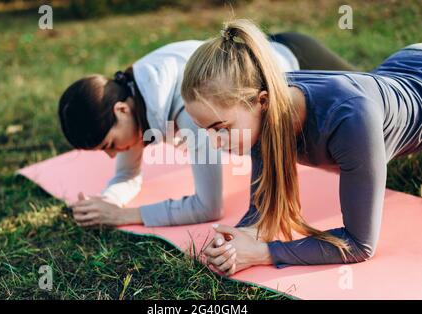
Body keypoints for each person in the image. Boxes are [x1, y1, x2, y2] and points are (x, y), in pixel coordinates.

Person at [180, 19, 422, 275]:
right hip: (401, 67)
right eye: (205, 129)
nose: (214, 142)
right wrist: (235, 243)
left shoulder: (350, 117)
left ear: (261, 102)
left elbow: (358, 245)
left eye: (221, 128)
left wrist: (262, 253)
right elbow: (261, 212)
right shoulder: (262, 110)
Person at [58, 32, 356, 229]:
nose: (112, 155)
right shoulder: (131, 94)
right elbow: (126, 174)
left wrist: (124, 216)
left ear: (121, 110)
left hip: (299, 61)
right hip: (272, 49)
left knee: (378, 111)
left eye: (109, 144)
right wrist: (107, 202)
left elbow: (208, 206)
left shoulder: (192, 113)